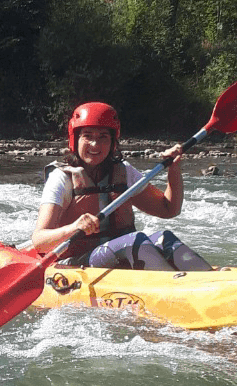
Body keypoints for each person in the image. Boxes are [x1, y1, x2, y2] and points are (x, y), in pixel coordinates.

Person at [31, 102, 213, 271]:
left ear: (112, 142)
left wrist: (173, 169)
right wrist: (73, 228)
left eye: (103, 137)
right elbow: (40, 241)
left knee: (165, 239)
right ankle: (176, 290)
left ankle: (209, 280)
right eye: (87, 136)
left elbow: (169, 209)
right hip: (76, 265)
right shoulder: (61, 178)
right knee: (135, 242)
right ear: (75, 139)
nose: (95, 144)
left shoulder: (124, 172)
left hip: (124, 257)